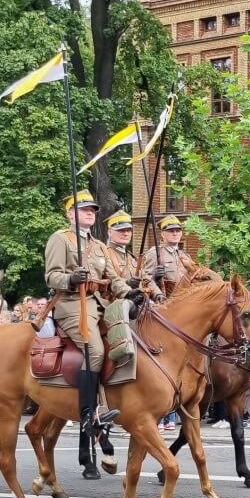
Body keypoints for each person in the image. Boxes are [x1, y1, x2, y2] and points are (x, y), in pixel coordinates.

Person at [44, 189, 143, 479]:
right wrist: (71, 278)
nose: (90, 213)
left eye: (93, 210)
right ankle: (90, 413)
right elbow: (51, 276)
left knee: (128, 340)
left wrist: (130, 292)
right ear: (70, 213)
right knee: (96, 351)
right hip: (73, 305)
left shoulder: (98, 245)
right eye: (84, 209)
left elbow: (112, 280)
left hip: (99, 305)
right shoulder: (60, 239)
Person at [101, 211, 163, 301]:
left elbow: (146, 279)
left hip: (136, 301)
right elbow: (109, 280)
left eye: (128, 230)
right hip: (114, 303)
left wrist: (158, 294)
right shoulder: (104, 254)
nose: (126, 234)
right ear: (110, 232)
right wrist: (127, 283)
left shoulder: (131, 257)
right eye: (121, 230)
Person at [142, 215, 195, 296]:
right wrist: (154, 278)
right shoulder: (155, 253)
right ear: (163, 234)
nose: (175, 234)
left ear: (181, 234)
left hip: (185, 300)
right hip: (165, 301)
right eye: (171, 231)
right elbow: (145, 281)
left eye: (178, 231)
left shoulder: (185, 256)